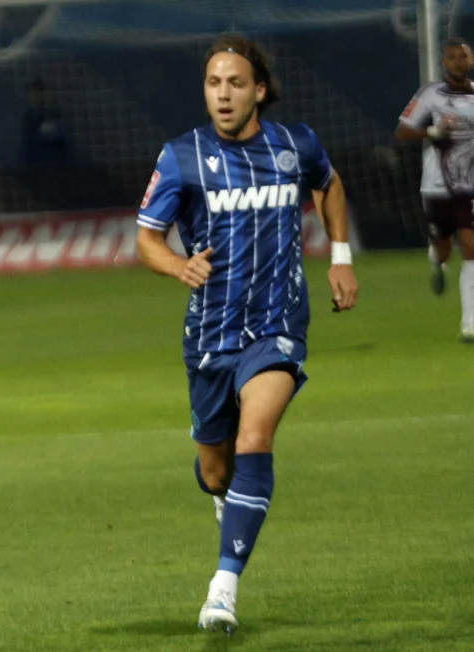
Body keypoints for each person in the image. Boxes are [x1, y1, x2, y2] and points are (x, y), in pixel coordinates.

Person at [134, 35, 358, 635]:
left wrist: (340, 256)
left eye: (235, 83)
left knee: (257, 435)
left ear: (259, 90)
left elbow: (329, 185)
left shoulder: (296, 144)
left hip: (278, 326)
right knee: (216, 469)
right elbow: (147, 239)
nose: (223, 94)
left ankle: (222, 589)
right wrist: (178, 265)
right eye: (214, 83)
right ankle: (225, 497)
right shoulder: (181, 157)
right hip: (210, 333)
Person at [396, 37, 474, 341]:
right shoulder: (430, 95)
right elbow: (402, 130)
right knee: (444, 248)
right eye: (452, 57)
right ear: (444, 62)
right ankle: (437, 261)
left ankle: (469, 323)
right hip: (436, 186)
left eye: (464, 57)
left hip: (468, 186)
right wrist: (433, 131)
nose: (458, 62)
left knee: (470, 245)